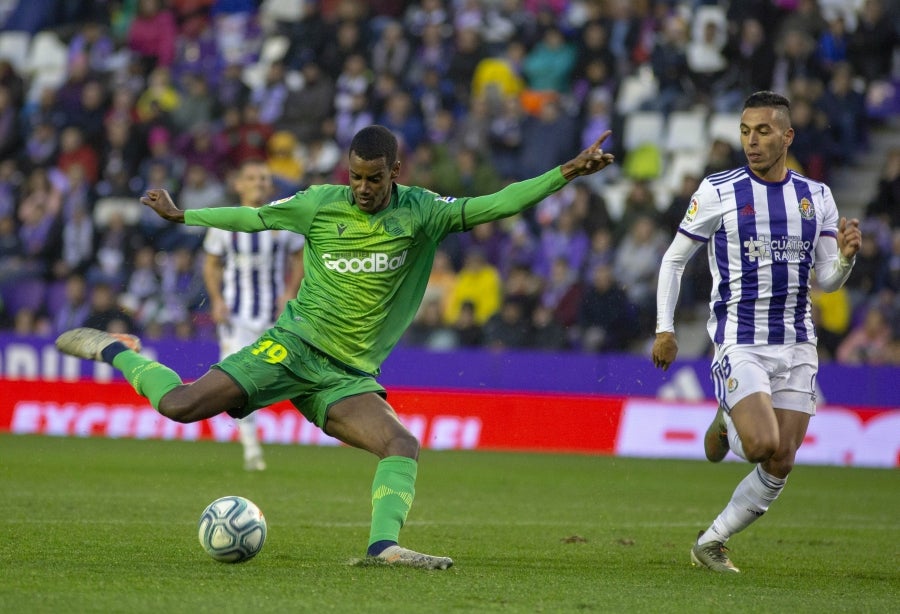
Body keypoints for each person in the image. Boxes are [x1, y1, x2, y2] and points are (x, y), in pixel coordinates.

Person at [56, 125, 616, 569]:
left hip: (346, 376)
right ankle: (118, 348)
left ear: (396, 172)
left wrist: (567, 171)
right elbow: (254, 218)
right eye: (355, 177)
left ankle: (383, 549)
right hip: (292, 348)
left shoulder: (423, 212)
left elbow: (497, 203)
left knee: (400, 444)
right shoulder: (322, 204)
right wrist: (185, 215)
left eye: (374, 179)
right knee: (178, 406)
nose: (363, 189)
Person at [651, 91, 862, 574]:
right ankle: (728, 419)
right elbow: (674, 260)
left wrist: (846, 258)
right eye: (745, 131)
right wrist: (665, 329)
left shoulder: (817, 198)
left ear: (787, 136)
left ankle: (712, 540)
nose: (751, 141)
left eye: (763, 131)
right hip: (741, 339)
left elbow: (826, 280)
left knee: (782, 459)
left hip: (798, 342)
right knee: (763, 442)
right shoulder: (717, 190)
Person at [202, 160, 305, 471]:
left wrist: (290, 293)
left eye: (264, 178)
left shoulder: (283, 221)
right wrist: (217, 299)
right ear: (239, 185)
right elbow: (211, 264)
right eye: (252, 178)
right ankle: (251, 449)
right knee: (238, 382)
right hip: (236, 315)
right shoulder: (224, 223)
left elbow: (299, 257)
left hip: (274, 317)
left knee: (286, 378)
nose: (259, 183)